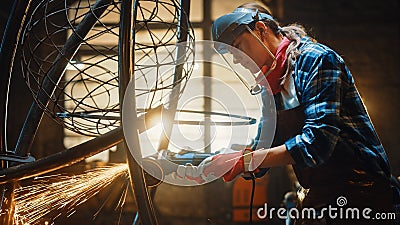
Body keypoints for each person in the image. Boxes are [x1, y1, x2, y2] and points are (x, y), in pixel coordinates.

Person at [176, 3, 399, 225]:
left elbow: (318, 142)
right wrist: (223, 159)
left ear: (261, 30)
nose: (236, 58)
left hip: (360, 190)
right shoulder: (269, 85)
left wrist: (248, 161)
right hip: (321, 192)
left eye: (238, 46)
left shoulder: (315, 60)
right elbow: (264, 145)